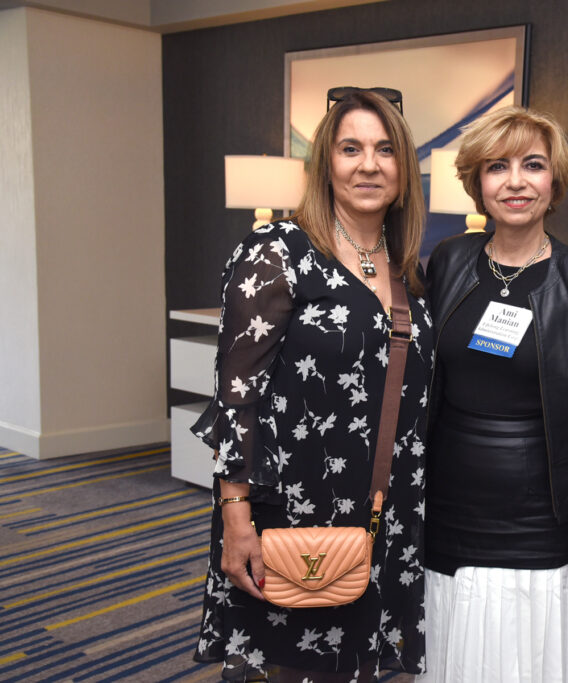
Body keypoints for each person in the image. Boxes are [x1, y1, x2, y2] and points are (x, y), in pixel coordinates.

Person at [191, 89, 432, 682]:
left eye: (385, 150)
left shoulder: (407, 268)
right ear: (325, 162)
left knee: (360, 667)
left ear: (404, 167)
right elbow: (237, 399)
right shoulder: (276, 251)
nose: (369, 165)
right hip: (295, 513)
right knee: (293, 667)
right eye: (351, 149)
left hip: (384, 512)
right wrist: (236, 518)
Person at [420, 106, 568, 682]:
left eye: (532, 165)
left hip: (540, 509)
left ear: (554, 180)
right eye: (497, 167)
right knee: (456, 646)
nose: (515, 182)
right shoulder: (450, 260)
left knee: (522, 654)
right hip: (449, 501)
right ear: (477, 183)